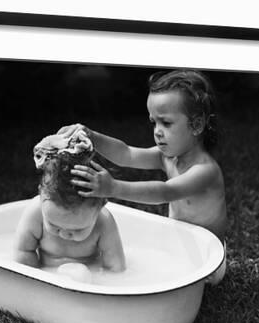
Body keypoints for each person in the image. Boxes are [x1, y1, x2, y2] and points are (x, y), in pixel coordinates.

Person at [59, 69, 227, 284]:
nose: (157, 131)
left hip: (207, 260)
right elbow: (126, 153)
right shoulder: (167, 157)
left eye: (166, 123)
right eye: (153, 122)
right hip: (179, 245)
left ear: (196, 125)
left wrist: (114, 187)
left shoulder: (205, 171)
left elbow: (165, 192)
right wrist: (91, 136)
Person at [12, 129, 126, 281]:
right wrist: (39, 278)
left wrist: (98, 283)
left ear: (101, 206)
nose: (65, 234)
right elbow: (23, 252)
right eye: (54, 225)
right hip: (46, 276)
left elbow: (115, 268)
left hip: (89, 278)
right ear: (40, 197)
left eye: (78, 229)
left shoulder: (104, 222)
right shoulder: (35, 213)